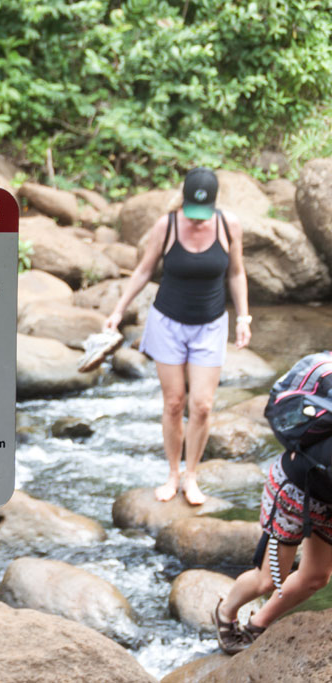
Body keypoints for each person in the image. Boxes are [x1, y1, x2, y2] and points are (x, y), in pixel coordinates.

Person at [103, 167, 250, 505]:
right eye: (192, 212)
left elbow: (237, 272)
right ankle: (172, 473)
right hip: (167, 323)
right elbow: (143, 270)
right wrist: (117, 310)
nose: (197, 221)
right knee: (173, 403)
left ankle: (192, 475)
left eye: (203, 213)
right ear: (182, 201)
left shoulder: (229, 225)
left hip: (210, 325)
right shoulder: (166, 226)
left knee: (202, 405)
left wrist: (243, 317)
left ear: (214, 204)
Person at [214, 438, 332, 654]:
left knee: (315, 578)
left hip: (327, 499)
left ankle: (257, 625)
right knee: (268, 579)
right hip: (295, 491)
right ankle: (225, 611)